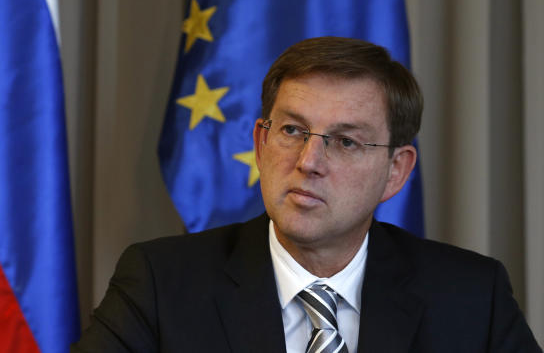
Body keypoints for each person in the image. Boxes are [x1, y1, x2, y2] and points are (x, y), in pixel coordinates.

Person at [74, 37, 540, 352]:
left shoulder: (472, 298)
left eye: (345, 141)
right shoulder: (161, 284)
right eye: (293, 130)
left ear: (395, 172)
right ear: (261, 143)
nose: (308, 161)